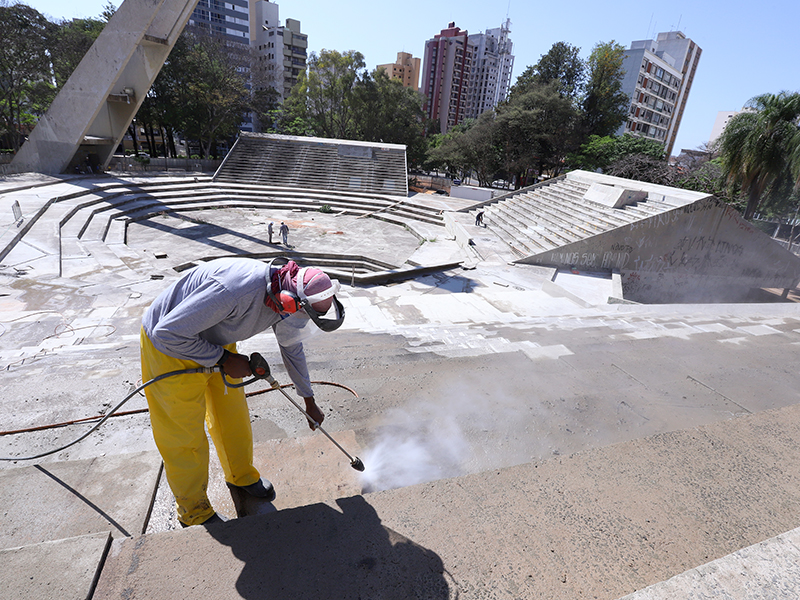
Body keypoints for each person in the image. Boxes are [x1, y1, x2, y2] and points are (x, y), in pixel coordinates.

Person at [140, 257, 345, 527]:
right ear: (288, 299)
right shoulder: (234, 290)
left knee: (232, 417)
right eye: (304, 314)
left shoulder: (290, 297)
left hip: (216, 340)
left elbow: (292, 346)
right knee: (184, 437)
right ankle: (194, 512)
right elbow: (166, 333)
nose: (301, 320)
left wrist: (308, 399)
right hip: (171, 348)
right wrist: (224, 360)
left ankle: (242, 476)